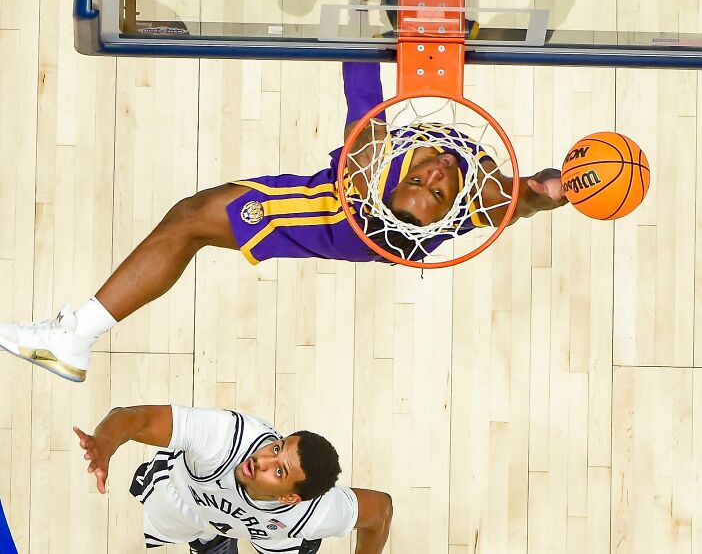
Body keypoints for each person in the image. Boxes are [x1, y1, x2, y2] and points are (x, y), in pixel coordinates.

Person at [0, 62, 567, 382]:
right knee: (188, 218)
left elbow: (363, 91)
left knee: (192, 219)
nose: (435, 176)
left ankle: (76, 335)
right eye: (427, 184)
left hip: (330, 215)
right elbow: (533, 196)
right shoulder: (472, 195)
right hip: (375, 229)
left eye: (426, 187)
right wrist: (561, 187)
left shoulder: (368, 169)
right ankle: (79, 333)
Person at [74, 404, 392, 553]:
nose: (262, 459)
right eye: (277, 447)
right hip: (196, 511)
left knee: (291, 538)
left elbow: (380, 511)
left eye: (279, 470)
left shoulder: (312, 512)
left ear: (290, 497)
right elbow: (136, 419)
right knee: (208, 538)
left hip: (274, 533)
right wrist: (106, 441)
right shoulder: (225, 438)